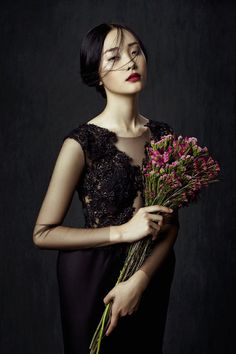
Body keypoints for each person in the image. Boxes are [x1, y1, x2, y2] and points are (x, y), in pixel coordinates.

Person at [32, 22, 180, 354]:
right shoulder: (81, 142)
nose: (129, 62)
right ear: (97, 75)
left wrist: (139, 281)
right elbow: (43, 233)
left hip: (149, 274)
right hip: (91, 277)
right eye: (113, 57)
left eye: (135, 51)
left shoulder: (162, 134)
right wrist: (123, 232)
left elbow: (171, 225)